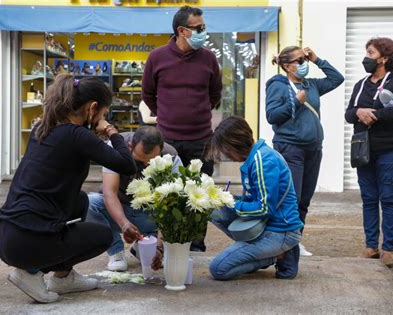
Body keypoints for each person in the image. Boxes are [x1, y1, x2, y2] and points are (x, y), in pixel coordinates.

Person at [0, 74, 136, 303]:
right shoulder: (76, 135)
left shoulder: (42, 127)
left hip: (6, 236)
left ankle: (63, 277)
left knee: (79, 200)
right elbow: (127, 165)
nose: (102, 119)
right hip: (26, 242)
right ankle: (30, 273)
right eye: (103, 114)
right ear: (92, 108)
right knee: (103, 236)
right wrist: (111, 131)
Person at [141, 5, 223, 252]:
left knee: (200, 191)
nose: (203, 32)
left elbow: (215, 94)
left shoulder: (208, 58)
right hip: (167, 140)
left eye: (204, 27)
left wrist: (195, 113)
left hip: (201, 139)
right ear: (182, 30)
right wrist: (169, 115)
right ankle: (168, 241)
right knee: (167, 192)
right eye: (199, 28)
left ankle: (196, 242)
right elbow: (149, 94)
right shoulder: (157, 57)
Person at [265, 46, 344, 256]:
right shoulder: (278, 85)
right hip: (290, 148)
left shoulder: (312, 85)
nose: (304, 64)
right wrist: (296, 102)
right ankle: (284, 242)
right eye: (299, 61)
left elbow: (337, 79)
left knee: (305, 199)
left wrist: (317, 59)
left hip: (313, 148)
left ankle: (295, 241)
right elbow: (272, 116)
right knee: (292, 198)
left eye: (305, 59)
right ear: (287, 66)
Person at [207, 116, 303, 281]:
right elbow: (255, 200)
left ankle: (279, 254)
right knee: (213, 207)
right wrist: (225, 197)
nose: (225, 155)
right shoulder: (254, 157)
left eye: (225, 150)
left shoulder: (262, 160)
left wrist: (234, 204)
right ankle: (258, 252)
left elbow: (265, 208)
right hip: (264, 225)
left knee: (218, 269)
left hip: (280, 231)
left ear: (234, 144)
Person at [345, 37, 393, 268]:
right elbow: (348, 113)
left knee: (389, 198)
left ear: (384, 57)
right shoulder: (361, 84)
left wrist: (374, 114)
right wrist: (358, 112)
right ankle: (371, 246)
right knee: (368, 198)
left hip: (392, 149)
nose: (366, 58)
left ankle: (389, 248)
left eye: (371, 53)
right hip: (364, 150)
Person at [87, 126, 182, 271]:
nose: (145, 165)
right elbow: (109, 193)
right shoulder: (115, 146)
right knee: (89, 203)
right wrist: (125, 225)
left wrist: (160, 246)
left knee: (182, 209)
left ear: (161, 150)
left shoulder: (172, 157)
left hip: (148, 215)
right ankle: (116, 251)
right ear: (130, 146)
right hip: (120, 208)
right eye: (140, 160)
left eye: (151, 162)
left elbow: (171, 205)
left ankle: (146, 245)